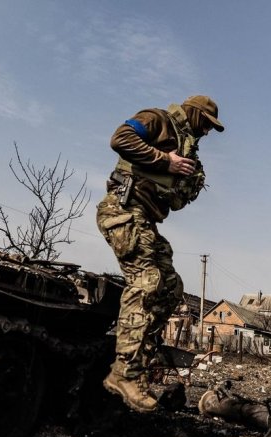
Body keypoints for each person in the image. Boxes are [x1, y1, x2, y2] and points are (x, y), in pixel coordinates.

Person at [96, 95, 224, 412]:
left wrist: (187, 180)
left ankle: (142, 357)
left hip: (146, 221)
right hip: (122, 210)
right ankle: (125, 372)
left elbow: (175, 200)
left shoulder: (187, 148)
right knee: (147, 282)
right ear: (194, 114)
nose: (207, 132)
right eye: (206, 124)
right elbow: (120, 138)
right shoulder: (158, 119)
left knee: (170, 289)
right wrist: (167, 161)